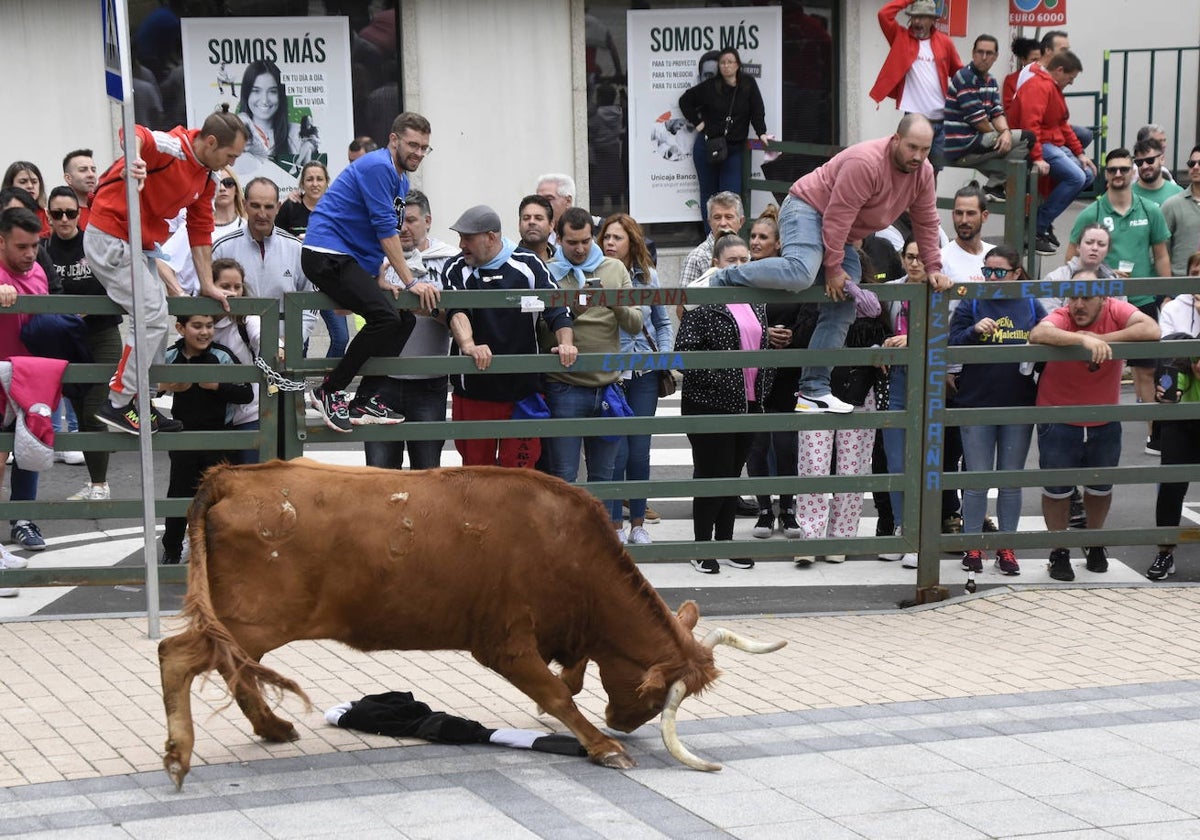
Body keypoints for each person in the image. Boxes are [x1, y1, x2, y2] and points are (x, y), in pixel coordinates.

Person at [701, 114, 953, 414]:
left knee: (845, 300)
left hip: (841, 232)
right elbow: (837, 216)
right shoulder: (867, 162)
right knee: (801, 271)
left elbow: (926, 221)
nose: (918, 156)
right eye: (912, 147)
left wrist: (934, 268)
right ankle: (720, 278)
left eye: (925, 150)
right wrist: (833, 269)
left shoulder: (922, 173)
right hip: (808, 208)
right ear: (895, 139)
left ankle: (813, 390)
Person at [86, 106, 249, 436]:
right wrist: (134, 158)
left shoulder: (207, 176)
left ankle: (141, 406)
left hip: (138, 244)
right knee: (152, 317)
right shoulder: (171, 146)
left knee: (159, 326)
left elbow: (200, 229)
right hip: (110, 235)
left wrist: (208, 285)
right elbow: (133, 132)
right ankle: (117, 403)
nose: (232, 164)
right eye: (230, 155)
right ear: (212, 142)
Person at [301, 112, 440, 432]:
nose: (418, 153)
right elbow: (383, 230)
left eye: (424, 148)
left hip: (349, 259)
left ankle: (363, 398)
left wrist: (375, 274)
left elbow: (377, 227)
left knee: (403, 320)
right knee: (386, 318)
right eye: (412, 145)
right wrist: (410, 281)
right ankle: (330, 390)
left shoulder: (401, 178)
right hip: (325, 253)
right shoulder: (378, 166)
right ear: (394, 140)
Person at [1029, 284, 1160, 582]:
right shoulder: (1064, 314)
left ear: (1103, 299)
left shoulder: (1116, 309)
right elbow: (1039, 333)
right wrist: (1081, 341)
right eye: (1073, 297)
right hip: (1058, 415)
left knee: (1100, 488)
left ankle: (1094, 541)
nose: (1078, 304)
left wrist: (1100, 339)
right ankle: (1058, 550)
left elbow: (1151, 328)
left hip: (1104, 417)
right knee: (1057, 490)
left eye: (1086, 297)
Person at [443, 204, 575, 468]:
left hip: (522, 391)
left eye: (468, 238)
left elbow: (557, 308)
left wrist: (567, 344)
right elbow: (456, 309)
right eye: (460, 237)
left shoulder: (528, 263)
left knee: (520, 477)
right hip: (474, 389)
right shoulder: (455, 267)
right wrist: (469, 345)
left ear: (491, 237)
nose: (461, 244)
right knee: (476, 474)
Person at [676, 234, 774, 574]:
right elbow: (685, 351)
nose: (739, 266)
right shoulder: (703, 301)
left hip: (748, 402)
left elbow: (761, 347)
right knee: (712, 475)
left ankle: (725, 543)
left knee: (732, 476)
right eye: (732, 261)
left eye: (744, 260)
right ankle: (702, 546)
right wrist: (723, 373)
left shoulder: (756, 301)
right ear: (717, 264)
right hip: (709, 403)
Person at [1067, 147, 1171, 456]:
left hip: (1141, 300)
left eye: (1124, 169)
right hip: (1101, 304)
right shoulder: (1092, 212)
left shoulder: (1150, 209)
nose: (1118, 174)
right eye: (1112, 169)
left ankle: (1154, 434)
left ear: (1133, 172)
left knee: (1147, 370)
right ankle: (1089, 425)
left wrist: (1166, 295)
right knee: (1095, 362)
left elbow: (1161, 254)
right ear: (1105, 173)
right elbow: (1072, 254)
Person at [949, 244, 1045, 576]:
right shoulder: (972, 300)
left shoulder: (1031, 301)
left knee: (1010, 480)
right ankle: (971, 545)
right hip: (976, 401)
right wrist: (974, 331)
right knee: (976, 480)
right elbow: (950, 341)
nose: (991, 277)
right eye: (986, 270)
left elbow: (1052, 334)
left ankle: (1006, 548)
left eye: (998, 272)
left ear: (1016, 273)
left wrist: (1040, 337)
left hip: (1018, 402)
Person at [793, 248, 885, 565]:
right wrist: (826, 311)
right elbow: (801, 338)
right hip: (816, 393)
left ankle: (841, 538)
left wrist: (857, 305)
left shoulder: (873, 300)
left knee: (852, 471)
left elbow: (884, 337)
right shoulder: (813, 294)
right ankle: (809, 537)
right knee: (813, 469)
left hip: (860, 393)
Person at [544, 207, 643, 492]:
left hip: (606, 384)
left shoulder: (614, 268)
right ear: (558, 239)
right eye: (572, 242)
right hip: (564, 385)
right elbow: (541, 329)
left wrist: (613, 302)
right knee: (563, 478)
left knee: (604, 477)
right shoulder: (548, 272)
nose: (580, 249)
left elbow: (635, 324)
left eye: (586, 241)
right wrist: (572, 311)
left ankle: (600, 535)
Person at [359, 189, 457, 471]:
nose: (403, 227)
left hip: (429, 380)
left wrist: (429, 309)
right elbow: (342, 307)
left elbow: (463, 314)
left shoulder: (449, 258)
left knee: (426, 473)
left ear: (428, 220)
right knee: (380, 474)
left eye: (411, 220)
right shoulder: (376, 258)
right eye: (397, 220)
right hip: (382, 378)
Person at [598, 213, 672, 545]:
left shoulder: (648, 277)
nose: (609, 243)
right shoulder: (597, 274)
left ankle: (637, 523)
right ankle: (614, 525)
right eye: (606, 238)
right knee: (616, 450)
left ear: (632, 242)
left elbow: (663, 322)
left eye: (617, 238)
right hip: (611, 373)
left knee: (640, 451)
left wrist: (664, 358)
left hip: (643, 372)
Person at [44, 187, 122, 501]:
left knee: (93, 412)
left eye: (70, 213)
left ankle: (101, 485)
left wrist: (89, 307)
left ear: (79, 214)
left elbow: (118, 283)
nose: (64, 219)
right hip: (66, 338)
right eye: (57, 213)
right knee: (78, 407)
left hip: (101, 334)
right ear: (48, 215)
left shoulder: (94, 243)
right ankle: (94, 483)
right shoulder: (42, 248)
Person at [158, 310, 254, 564]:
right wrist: (165, 386)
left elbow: (246, 394)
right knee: (179, 495)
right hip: (182, 439)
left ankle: (217, 550)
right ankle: (172, 549)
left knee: (218, 497)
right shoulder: (170, 356)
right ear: (180, 328)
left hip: (220, 439)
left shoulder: (222, 356)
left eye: (209, 326)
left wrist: (218, 386)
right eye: (197, 326)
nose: (204, 332)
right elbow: (144, 391)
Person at [744, 206, 806, 540]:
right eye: (752, 235)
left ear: (778, 244)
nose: (755, 242)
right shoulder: (745, 276)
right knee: (756, 442)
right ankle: (765, 511)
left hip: (787, 371)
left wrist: (794, 334)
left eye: (762, 237)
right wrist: (763, 333)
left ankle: (789, 510)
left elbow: (809, 315)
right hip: (753, 370)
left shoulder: (793, 278)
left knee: (785, 443)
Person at [212, 177, 317, 350]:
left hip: (287, 349)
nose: (262, 214)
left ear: (278, 207)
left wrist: (291, 340)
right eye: (255, 206)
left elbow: (311, 302)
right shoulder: (223, 247)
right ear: (245, 204)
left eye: (268, 207)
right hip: (234, 351)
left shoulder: (296, 249)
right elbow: (205, 297)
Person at [1008, 50, 1096, 255]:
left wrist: (1080, 153)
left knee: (1088, 174)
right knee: (1075, 177)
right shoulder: (1038, 86)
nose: (1071, 83)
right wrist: (1037, 157)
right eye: (1070, 78)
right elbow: (1031, 126)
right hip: (1034, 144)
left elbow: (1062, 125)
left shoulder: (1051, 87)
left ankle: (1043, 222)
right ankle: (1036, 227)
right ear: (1058, 70)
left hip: (1050, 143)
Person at [0, 207, 49, 562]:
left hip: (31, 379)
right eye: (22, 246)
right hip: (1, 378)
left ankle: (23, 519)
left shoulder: (39, 272)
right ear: (1, 242)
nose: (30, 253)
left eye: (34, 245)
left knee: (30, 453)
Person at [1149, 259, 1200, 581]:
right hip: (1182, 415)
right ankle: (1164, 552)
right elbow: (1171, 357)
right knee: (1171, 485)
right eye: (1196, 274)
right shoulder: (1175, 309)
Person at [869, 0, 963, 171]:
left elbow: (959, 74)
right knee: (909, 169)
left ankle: (929, 200)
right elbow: (884, 14)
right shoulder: (900, 37)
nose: (918, 22)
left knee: (932, 172)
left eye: (923, 18)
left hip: (940, 118)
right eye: (914, 17)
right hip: (914, 117)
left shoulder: (945, 42)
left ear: (932, 20)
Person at [677, 47, 769, 217]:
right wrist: (698, 123)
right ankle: (711, 240)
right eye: (723, 63)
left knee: (730, 198)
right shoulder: (710, 86)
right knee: (709, 196)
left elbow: (757, 110)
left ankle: (728, 240)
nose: (726, 66)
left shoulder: (747, 84)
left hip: (733, 149)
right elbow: (685, 101)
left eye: (730, 62)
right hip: (708, 146)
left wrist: (761, 132)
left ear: (738, 64)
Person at [942, 34, 1031, 204]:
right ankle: (995, 187)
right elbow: (979, 121)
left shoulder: (990, 81)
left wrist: (1005, 132)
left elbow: (997, 113)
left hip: (979, 141)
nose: (984, 57)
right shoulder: (964, 77)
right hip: (963, 145)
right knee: (1028, 139)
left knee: (1021, 152)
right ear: (973, 53)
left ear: (996, 56)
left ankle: (997, 187)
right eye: (980, 52)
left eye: (989, 53)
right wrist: (1001, 137)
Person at [208, 259, 261, 464]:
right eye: (225, 287)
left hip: (248, 413)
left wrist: (278, 347)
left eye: (237, 287)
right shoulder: (201, 321)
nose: (232, 293)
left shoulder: (246, 318)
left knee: (249, 480)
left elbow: (262, 335)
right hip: (213, 415)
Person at [236, 59, 319, 174]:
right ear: (246, 94)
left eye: (273, 91)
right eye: (256, 91)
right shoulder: (234, 136)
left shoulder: (296, 134)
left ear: (281, 94)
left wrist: (311, 144)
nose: (264, 100)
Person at [679, 191, 744, 287]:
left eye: (729, 217)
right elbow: (684, 300)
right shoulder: (697, 257)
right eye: (717, 217)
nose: (723, 223)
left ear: (741, 222)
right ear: (709, 222)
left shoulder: (748, 255)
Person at [1162, 145, 1200, 276]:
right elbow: (1160, 250)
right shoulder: (1172, 204)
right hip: (1180, 284)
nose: (1195, 167)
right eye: (1191, 163)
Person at [275, 160, 329, 239]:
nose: (315, 184)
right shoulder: (290, 207)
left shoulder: (335, 209)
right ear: (302, 183)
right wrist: (296, 242)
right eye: (309, 179)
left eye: (319, 179)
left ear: (326, 182)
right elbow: (277, 238)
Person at [2, 161, 50, 237]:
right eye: (23, 182)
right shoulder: (3, 214)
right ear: (10, 185)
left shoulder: (49, 216)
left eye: (34, 182)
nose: (30, 186)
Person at [1131, 137, 1183, 207]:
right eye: (1139, 162)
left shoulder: (1178, 193)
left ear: (1162, 159)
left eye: (1150, 160)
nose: (1144, 166)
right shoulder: (1127, 194)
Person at [1002, 38, 1040, 113]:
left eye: (1040, 60)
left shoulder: (1047, 77)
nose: (1038, 63)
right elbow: (1009, 110)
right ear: (1023, 60)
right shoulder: (1012, 80)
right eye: (1034, 60)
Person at [62, 149, 97, 230]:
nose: (91, 175)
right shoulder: (59, 214)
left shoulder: (103, 208)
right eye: (83, 170)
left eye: (93, 170)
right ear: (68, 178)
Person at [517, 194, 556, 264]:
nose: (531, 222)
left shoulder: (563, 263)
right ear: (519, 225)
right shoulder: (508, 263)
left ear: (551, 225)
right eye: (526, 218)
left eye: (538, 218)